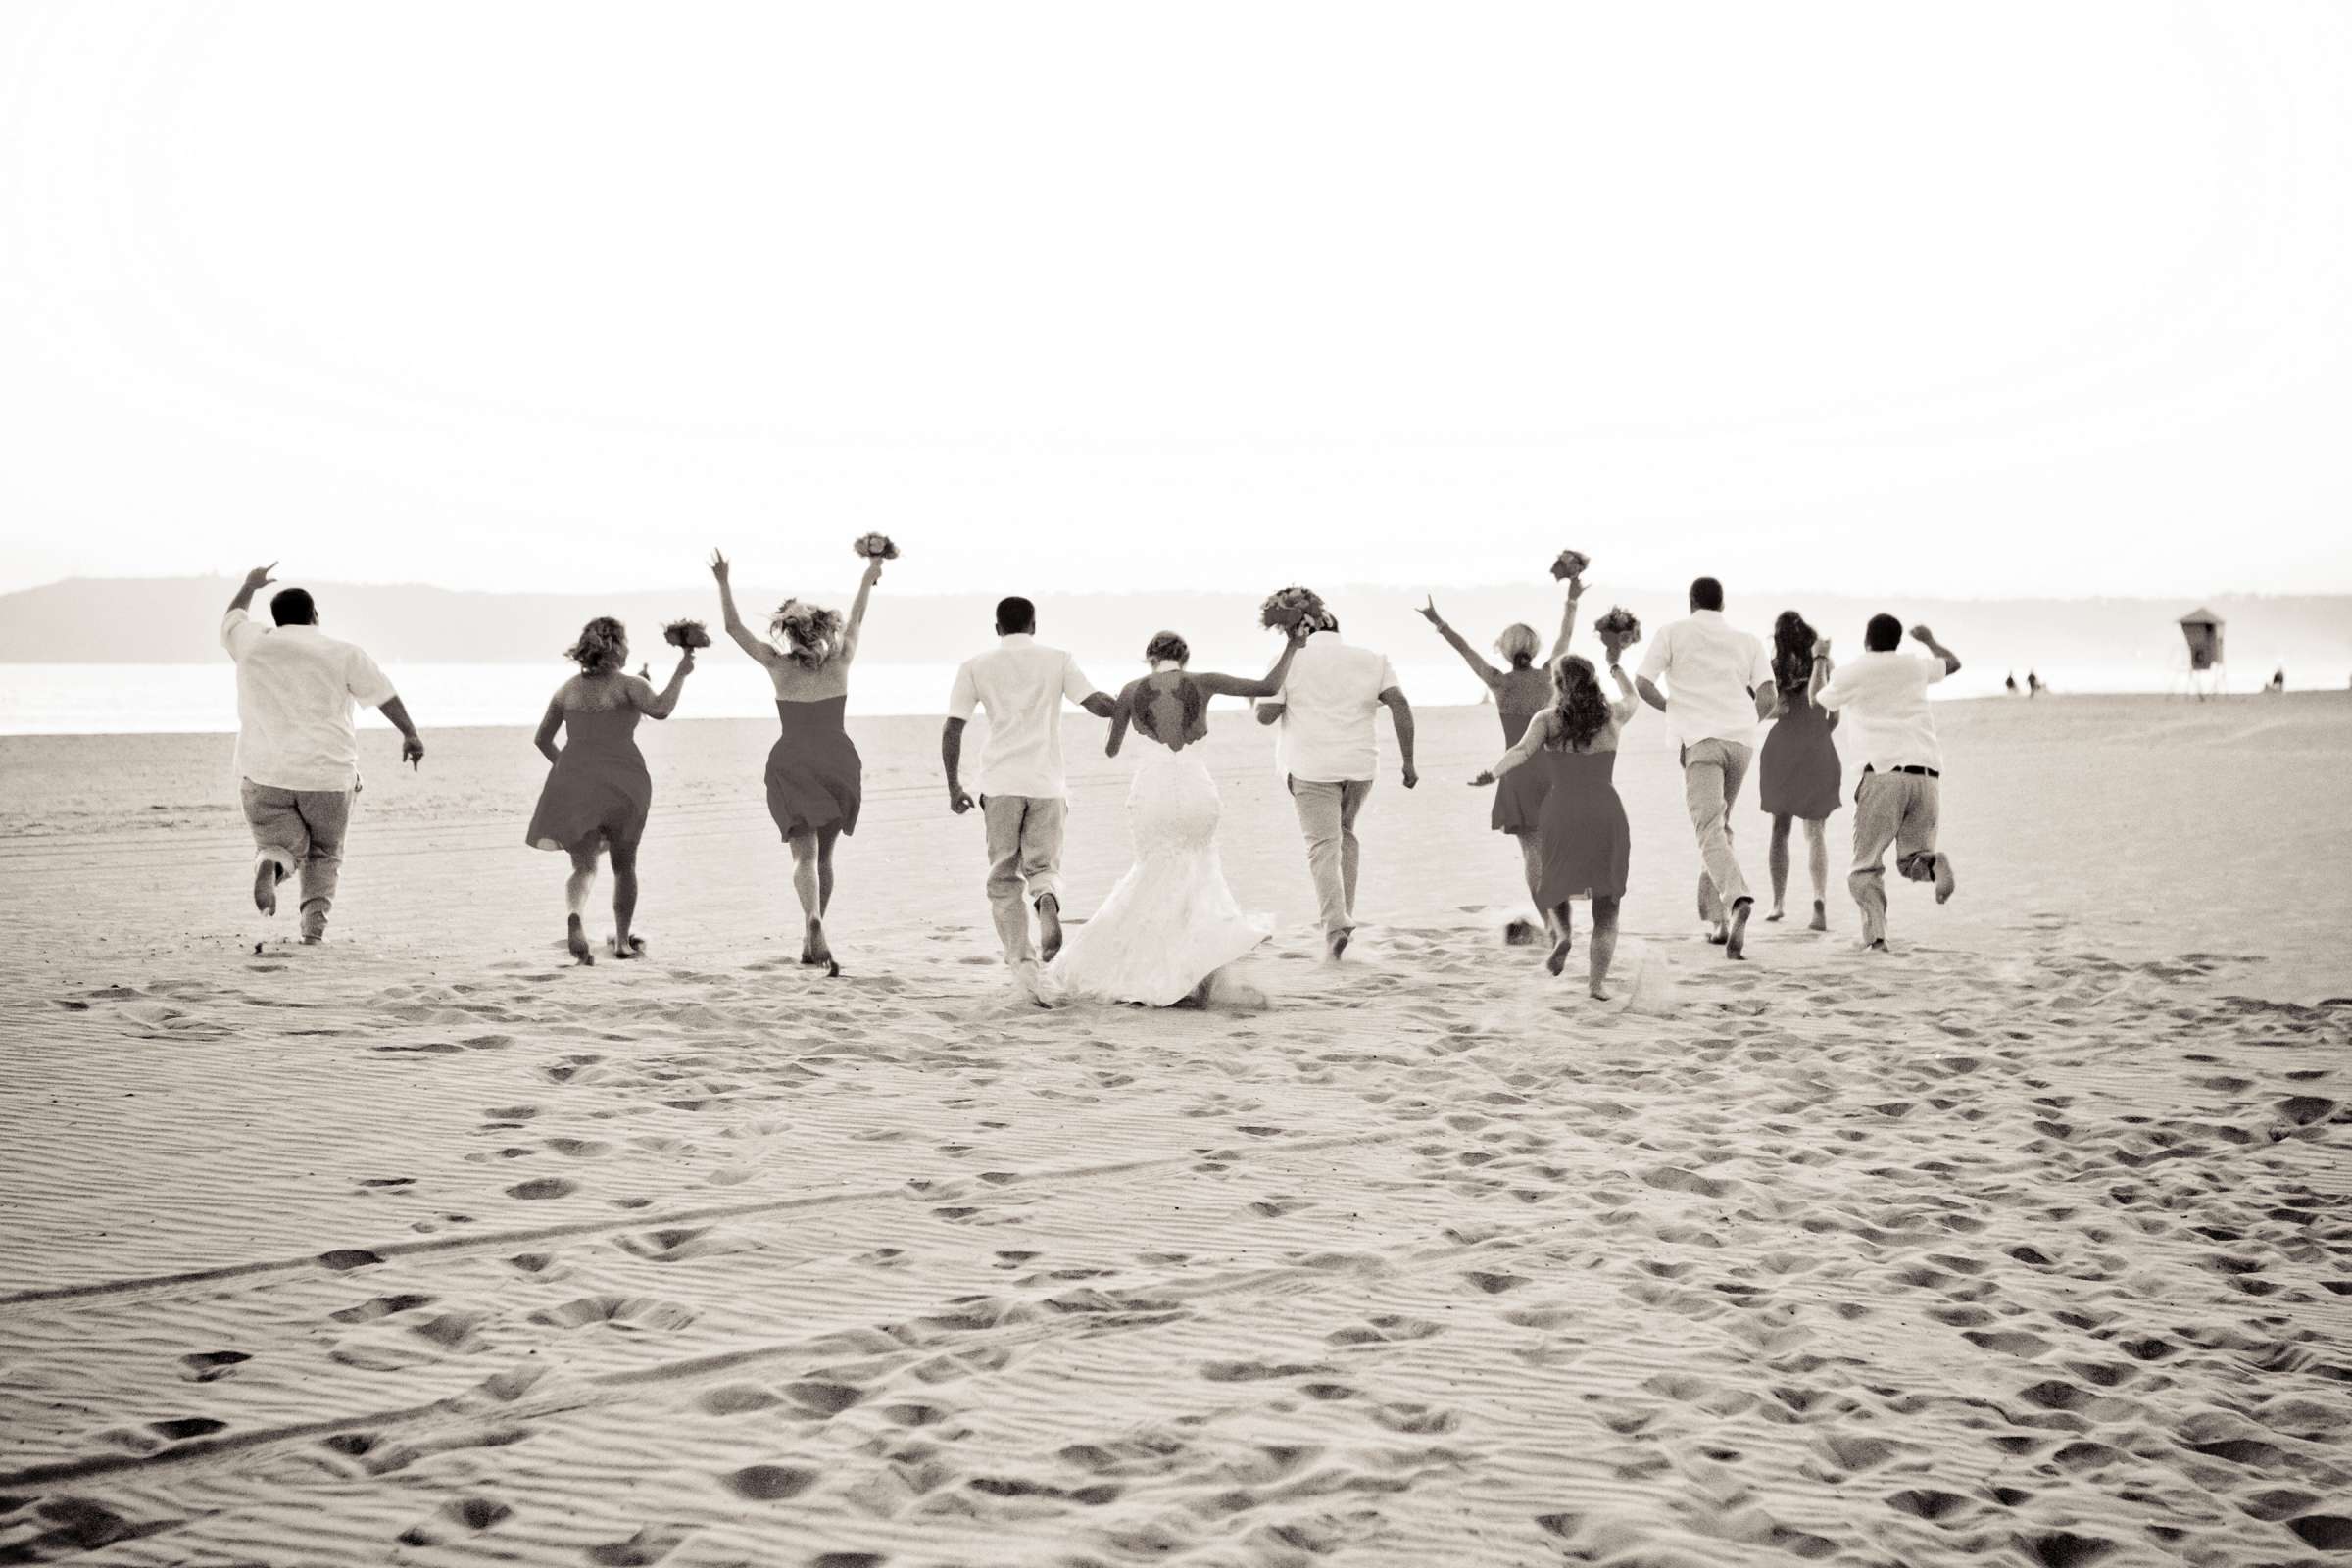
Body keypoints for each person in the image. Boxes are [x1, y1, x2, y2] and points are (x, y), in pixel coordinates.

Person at [1045, 626, 1306, 1007]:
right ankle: (1198, 973)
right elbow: (1268, 686)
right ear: (1184, 657)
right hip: (1196, 788)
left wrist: (1121, 715)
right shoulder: (1205, 682)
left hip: (1154, 790)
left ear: (1151, 657)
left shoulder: (1133, 690)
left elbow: (1112, 750)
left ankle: (1154, 968)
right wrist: (1291, 646)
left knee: (1152, 873)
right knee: (1199, 873)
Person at [220, 564, 423, 943]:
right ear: (315, 617)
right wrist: (410, 734)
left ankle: (272, 863)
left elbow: (233, 618)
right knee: (325, 854)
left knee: (279, 845)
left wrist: (250, 585)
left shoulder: (252, 643)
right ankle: (312, 934)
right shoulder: (342, 652)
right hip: (328, 777)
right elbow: (383, 695)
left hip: (263, 775)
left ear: (277, 619)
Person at [712, 549, 882, 974]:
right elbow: (859, 615)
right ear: (825, 628)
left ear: (788, 632)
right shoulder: (841, 659)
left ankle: (811, 920)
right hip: (837, 758)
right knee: (826, 858)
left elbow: (733, 628)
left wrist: (723, 581)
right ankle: (815, 933)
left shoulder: (776, 663)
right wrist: (870, 574)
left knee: (802, 858)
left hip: (793, 759)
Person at [943, 597, 1118, 988]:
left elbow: (953, 728)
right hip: (1047, 783)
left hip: (1000, 783)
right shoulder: (1058, 659)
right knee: (1044, 867)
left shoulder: (975, 666)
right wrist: (1132, 704)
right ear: (1034, 625)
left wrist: (955, 785)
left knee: (1004, 878)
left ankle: (1023, 964)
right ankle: (1047, 900)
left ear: (997, 628)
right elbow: (1096, 703)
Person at [1470, 631, 1641, 999]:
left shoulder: (1547, 719)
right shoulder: (1613, 716)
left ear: (1559, 684)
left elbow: (1520, 751)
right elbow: (1633, 697)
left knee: (1555, 880)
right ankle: (1596, 985)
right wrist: (1616, 665)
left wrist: (1493, 773)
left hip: (1561, 809)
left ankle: (1562, 934)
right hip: (1605, 809)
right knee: (1607, 908)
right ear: (1593, 680)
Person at [1418, 572, 1586, 941]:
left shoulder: (1499, 682)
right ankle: (1562, 918)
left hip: (1519, 772)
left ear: (1506, 651)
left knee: (1532, 855)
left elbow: (1465, 653)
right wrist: (1572, 599)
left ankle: (1552, 924)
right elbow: (1566, 637)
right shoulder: (1549, 676)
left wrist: (1439, 623)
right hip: (1555, 771)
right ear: (1535, 648)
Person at [1254, 603, 1417, 960]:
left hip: (1310, 766)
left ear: (1301, 631)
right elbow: (1400, 705)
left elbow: (1266, 715)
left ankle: (1335, 926)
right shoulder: (1373, 659)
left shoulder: (1289, 659)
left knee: (1323, 845)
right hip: (1359, 767)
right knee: (1345, 833)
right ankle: (1344, 917)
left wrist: (1263, 698)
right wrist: (1409, 762)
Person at [527, 618, 694, 963]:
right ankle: (621, 942)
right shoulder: (630, 685)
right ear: (619, 646)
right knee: (624, 866)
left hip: (575, 780)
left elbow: (542, 739)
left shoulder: (567, 690)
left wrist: (568, 769)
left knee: (584, 867)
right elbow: (661, 709)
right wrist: (681, 671)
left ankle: (575, 915)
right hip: (624, 781)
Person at [1635, 576, 1773, 958]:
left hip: (1701, 741)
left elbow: (1643, 682)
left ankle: (1737, 898)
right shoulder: (1748, 641)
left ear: (1691, 601)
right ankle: (1718, 923)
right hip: (1741, 743)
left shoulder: (1672, 633)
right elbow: (1768, 695)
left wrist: (1675, 710)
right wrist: (1745, 724)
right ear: (1722, 604)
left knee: (1708, 827)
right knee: (1720, 824)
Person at [1812, 615, 1962, 952]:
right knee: (1912, 862)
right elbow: (1953, 663)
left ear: (1867, 640)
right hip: (1926, 773)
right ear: (1897, 642)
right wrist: (1929, 639)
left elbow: (1819, 699)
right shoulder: (1913, 666)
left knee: (1865, 867)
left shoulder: (1854, 670)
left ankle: (1877, 937)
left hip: (1882, 774)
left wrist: (1820, 658)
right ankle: (1934, 863)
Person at [1758, 611, 1842, 931]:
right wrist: (1817, 737)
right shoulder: (1825, 667)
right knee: (1816, 831)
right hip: (1817, 745)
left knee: (1780, 830)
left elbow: (1770, 709)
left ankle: (1778, 903)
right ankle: (1818, 899)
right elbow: (1833, 718)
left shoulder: (1775, 668)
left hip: (1782, 749)